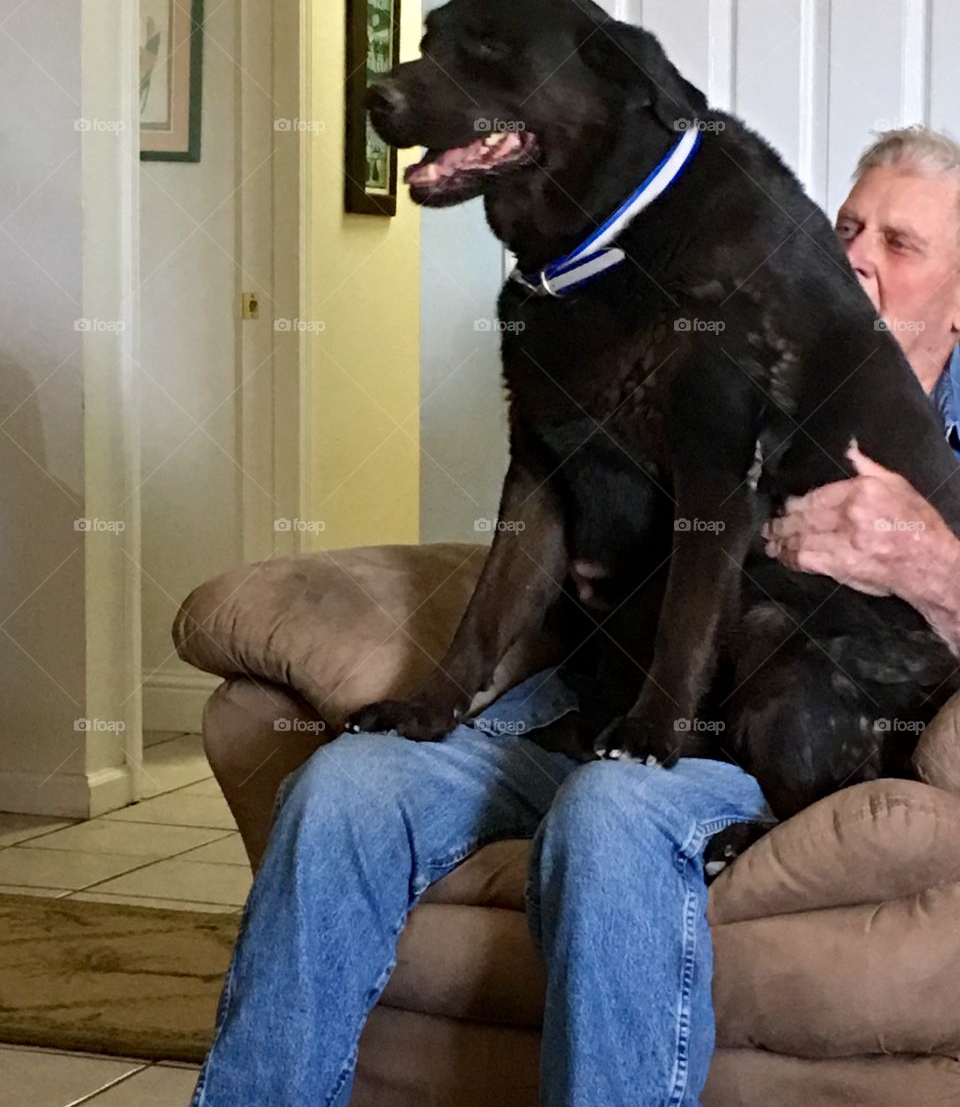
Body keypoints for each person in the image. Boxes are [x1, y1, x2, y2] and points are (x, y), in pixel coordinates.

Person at [190, 126, 960, 1107]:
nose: (855, 255)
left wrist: (931, 559)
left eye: (900, 242)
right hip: (602, 694)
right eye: (846, 225)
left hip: (775, 740)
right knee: (348, 786)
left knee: (611, 808)